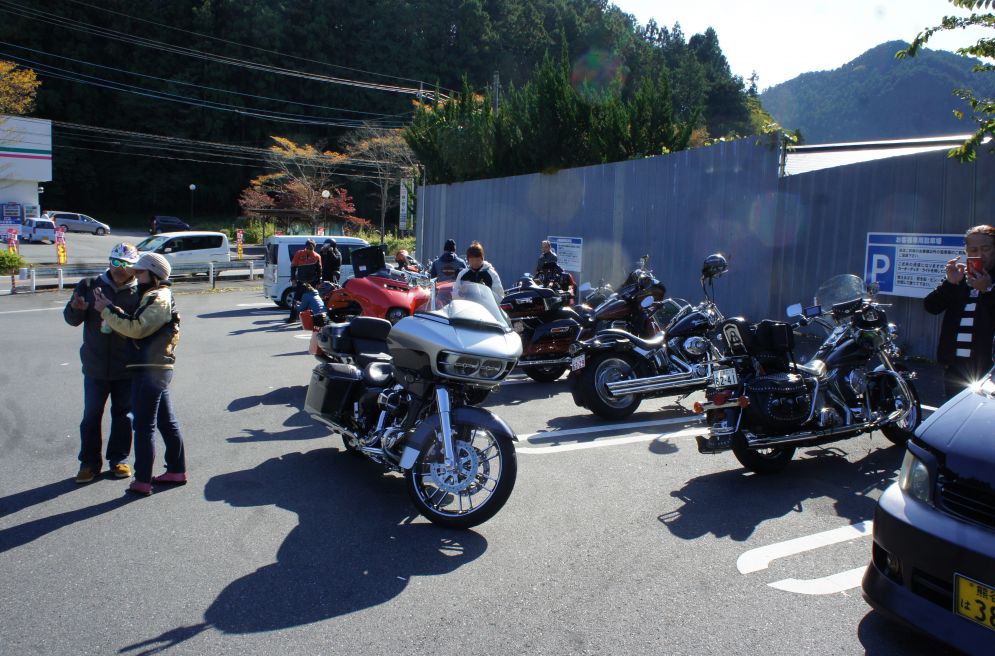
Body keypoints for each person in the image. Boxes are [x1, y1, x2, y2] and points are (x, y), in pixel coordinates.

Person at [93, 252, 186, 496]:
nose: (135, 276)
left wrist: (107, 310)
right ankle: (176, 470)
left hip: (150, 369)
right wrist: (113, 310)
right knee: (166, 422)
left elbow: (137, 328)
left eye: (140, 272)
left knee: (144, 427)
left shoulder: (158, 296)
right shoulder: (154, 295)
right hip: (155, 368)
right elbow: (138, 325)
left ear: (154, 274)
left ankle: (143, 480)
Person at [63, 242, 143, 483]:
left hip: (126, 366)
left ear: (134, 266)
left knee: (123, 415)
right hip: (95, 365)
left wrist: (113, 311)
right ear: (109, 261)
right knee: (91, 416)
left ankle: (119, 459)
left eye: (126, 264)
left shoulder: (140, 291)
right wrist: (76, 309)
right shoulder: (89, 285)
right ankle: (89, 463)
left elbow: (140, 326)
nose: (120, 268)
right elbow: (71, 320)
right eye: (116, 262)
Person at [924, 224, 995, 398]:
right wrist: (950, 283)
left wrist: (988, 290)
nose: (979, 254)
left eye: (985, 248)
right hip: (956, 369)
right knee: (955, 413)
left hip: (990, 371)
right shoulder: (961, 279)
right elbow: (931, 307)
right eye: (973, 249)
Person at [288, 239, 322, 323]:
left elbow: (319, 271)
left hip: (312, 282)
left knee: (312, 301)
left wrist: (318, 282)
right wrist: (293, 278)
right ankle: (292, 318)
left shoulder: (317, 256)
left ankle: (311, 319)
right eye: (308, 248)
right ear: (305, 247)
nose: (309, 250)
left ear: (314, 248)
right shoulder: (299, 254)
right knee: (296, 300)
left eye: (311, 249)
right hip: (301, 281)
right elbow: (293, 267)